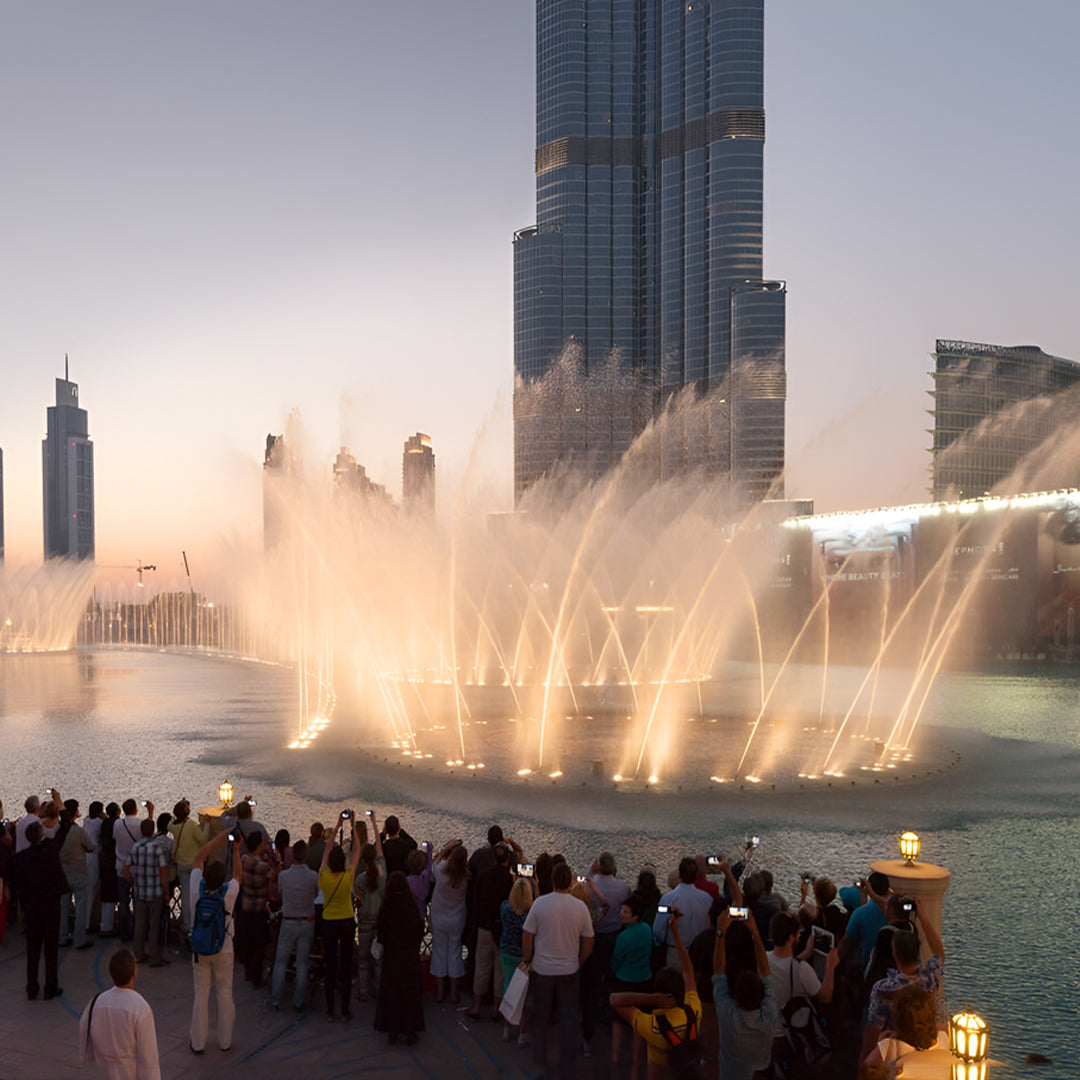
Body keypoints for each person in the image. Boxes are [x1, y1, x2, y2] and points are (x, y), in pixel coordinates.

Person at [522, 861, 595, 1080]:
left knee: (541, 1017)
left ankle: (540, 1064)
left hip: (543, 969)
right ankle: (567, 1066)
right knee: (569, 1019)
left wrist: (528, 958)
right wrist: (579, 961)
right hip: (569, 970)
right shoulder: (580, 907)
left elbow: (527, 934)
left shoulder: (540, 904)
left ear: (553, 880)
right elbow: (589, 941)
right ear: (570, 882)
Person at [611, 906, 700, 1080]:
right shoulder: (694, 1010)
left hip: (658, 1070)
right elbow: (688, 971)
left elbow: (615, 999)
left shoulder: (652, 1025)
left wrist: (652, 1000)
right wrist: (675, 931)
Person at [860, 896, 945, 1062]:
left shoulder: (883, 988)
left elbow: (872, 1030)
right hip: (924, 1046)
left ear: (895, 954)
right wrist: (923, 917)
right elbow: (939, 953)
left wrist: (863, 1062)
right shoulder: (929, 979)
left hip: (894, 1052)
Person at [712, 879, 777, 1079]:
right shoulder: (768, 1016)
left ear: (736, 995)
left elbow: (718, 971)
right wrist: (755, 932)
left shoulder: (728, 1016)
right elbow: (765, 971)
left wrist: (721, 932)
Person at [188, 830, 242, 1054]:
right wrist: (236, 849)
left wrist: (221, 836)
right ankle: (225, 1041)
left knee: (201, 994)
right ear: (222, 880)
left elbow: (198, 857)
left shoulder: (195, 886)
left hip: (199, 948)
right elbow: (238, 875)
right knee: (224, 993)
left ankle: (198, 1042)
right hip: (224, 949)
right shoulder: (229, 893)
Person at [79, 947, 161, 1079]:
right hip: (129, 1072)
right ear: (134, 973)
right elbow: (148, 1056)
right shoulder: (140, 1007)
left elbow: (84, 1027)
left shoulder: (96, 1001)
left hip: (103, 1070)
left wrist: (87, 1057)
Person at [17, 817, 72, 1000]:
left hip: (32, 908)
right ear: (41, 835)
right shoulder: (49, 851)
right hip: (50, 907)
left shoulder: (21, 858)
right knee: (51, 948)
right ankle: (51, 986)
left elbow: (21, 885)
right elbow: (62, 833)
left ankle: (31, 987)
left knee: (32, 949)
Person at [320, 809, 362, 1021]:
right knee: (345, 964)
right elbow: (357, 851)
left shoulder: (323, 877)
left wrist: (337, 825)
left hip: (328, 922)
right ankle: (345, 1010)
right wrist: (353, 826)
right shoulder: (348, 877)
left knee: (331, 964)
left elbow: (327, 850)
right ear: (342, 863)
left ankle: (329, 1011)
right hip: (346, 921)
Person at [374, 870, 425, 1045]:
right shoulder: (410, 907)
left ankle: (392, 1030)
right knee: (410, 995)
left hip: (392, 957)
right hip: (409, 957)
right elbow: (419, 930)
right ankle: (410, 1030)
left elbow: (381, 934)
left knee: (392, 995)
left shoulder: (386, 906)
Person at [269, 839, 320, 1011]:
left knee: (281, 962)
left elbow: (281, 891)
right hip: (306, 921)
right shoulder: (313, 876)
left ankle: (275, 999)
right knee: (302, 962)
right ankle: (298, 1001)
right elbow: (315, 894)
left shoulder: (284, 876)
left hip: (289, 921)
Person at [609, 892, 655, 1072]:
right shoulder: (647, 930)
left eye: (625, 912)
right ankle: (636, 1061)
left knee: (617, 1020)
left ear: (634, 915)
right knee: (639, 1021)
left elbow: (616, 960)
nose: (621, 914)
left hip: (624, 981)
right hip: (644, 980)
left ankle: (615, 1056)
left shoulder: (623, 937)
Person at [468, 842, 514, 1020]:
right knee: (500, 972)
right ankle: (496, 1009)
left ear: (493, 858)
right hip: (503, 930)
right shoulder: (510, 881)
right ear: (507, 860)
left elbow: (475, 901)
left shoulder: (482, 877)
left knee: (481, 968)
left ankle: (476, 1006)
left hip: (485, 928)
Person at [122, 819, 170, 968]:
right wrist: (166, 891)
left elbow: (125, 869)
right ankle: (155, 957)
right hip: (155, 891)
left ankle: (139, 954)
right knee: (154, 925)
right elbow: (162, 871)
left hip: (139, 890)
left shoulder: (135, 847)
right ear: (152, 830)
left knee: (139, 924)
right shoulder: (157, 848)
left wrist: (132, 881)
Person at [654, 857, 715, 966]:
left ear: (679, 875)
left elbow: (658, 930)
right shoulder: (707, 899)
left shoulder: (667, 899)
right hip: (701, 952)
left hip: (675, 951)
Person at [430, 838, 469, 1003]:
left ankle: (439, 993)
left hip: (439, 917)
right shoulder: (466, 878)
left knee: (439, 953)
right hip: (457, 919)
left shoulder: (441, 872)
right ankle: (453, 993)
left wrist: (448, 848)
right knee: (455, 954)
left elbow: (433, 861)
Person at [353, 812, 387, 1003]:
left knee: (363, 959)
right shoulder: (383, 872)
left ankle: (363, 991)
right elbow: (379, 848)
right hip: (380, 920)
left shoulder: (360, 879)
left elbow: (358, 901)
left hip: (365, 921)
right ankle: (379, 988)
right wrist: (374, 823)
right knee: (378, 959)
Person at [498, 876, 535, 1045]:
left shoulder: (505, 907)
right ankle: (522, 1032)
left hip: (507, 951)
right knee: (525, 994)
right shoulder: (531, 913)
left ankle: (506, 1028)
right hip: (524, 955)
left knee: (509, 988)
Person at [237, 831, 275, 987]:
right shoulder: (263, 866)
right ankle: (257, 979)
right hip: (259, 909)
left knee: (248, 942)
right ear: (259, 845)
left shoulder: (244, 859)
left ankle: (247, 973)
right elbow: (275, 876)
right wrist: (275, 857)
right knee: (259, 945)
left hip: (246, 906)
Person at [167, 799, 209, 939]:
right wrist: (206, 823)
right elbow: (203, 839)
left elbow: (169, 823)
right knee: (196, 895)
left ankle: (186, 924)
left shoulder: (174, 826)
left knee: (185, 896)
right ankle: (194, 923)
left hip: (181, 865)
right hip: (193, 865)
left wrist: (175, 817)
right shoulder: (191, 825)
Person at [58, 798, 95, 949]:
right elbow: (91, 846)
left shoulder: (56, 831)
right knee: (80, 907)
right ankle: (79, 939)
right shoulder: (79, 832)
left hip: (63, 872)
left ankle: (61, 936)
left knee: (63, 907)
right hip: (78, 872)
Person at [845, 872, 891, 970]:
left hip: (869, 968)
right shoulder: (895, 911)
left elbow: (847, 941)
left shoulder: (860, 913)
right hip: (892, 967)